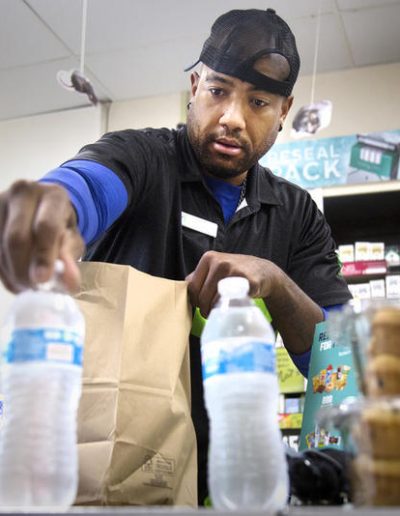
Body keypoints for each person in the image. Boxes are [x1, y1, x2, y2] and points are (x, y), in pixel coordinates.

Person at [0, 8, 351, 504]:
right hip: (102, 478)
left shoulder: (296, 215)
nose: (232, 117)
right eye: (218, 90)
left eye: (258, 102)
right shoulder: (142, 158)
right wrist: (52, 207)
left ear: (284, 110)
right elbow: (89, 184)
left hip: (227, 483)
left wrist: (276, 281)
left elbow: (337, 359)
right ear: (194, 85)